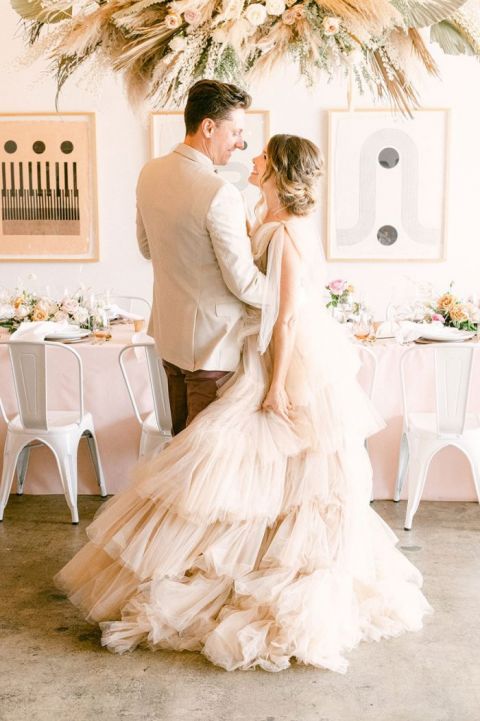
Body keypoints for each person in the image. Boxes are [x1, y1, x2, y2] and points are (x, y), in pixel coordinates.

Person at [55, 134, 432, 673]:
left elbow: (285, 316)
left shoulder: (282, 233)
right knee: (246, 474)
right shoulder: (267, 218)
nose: (251, 156)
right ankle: (233, 563)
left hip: (279, 360)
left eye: (261, 157)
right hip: (251, 349)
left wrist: (277, 386)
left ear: (277, 170)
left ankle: (244, 571)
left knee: (259, 470)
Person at [136, 79, 265, 435]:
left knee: (180, 451)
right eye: (236, 131)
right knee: (206, 468)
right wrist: (290, 297)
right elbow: (244, 282)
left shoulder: (149, 173)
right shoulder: (219, 191)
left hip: (170, 341)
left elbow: (146, 247)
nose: (240, 143)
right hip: (213, 350)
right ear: (208, 126)